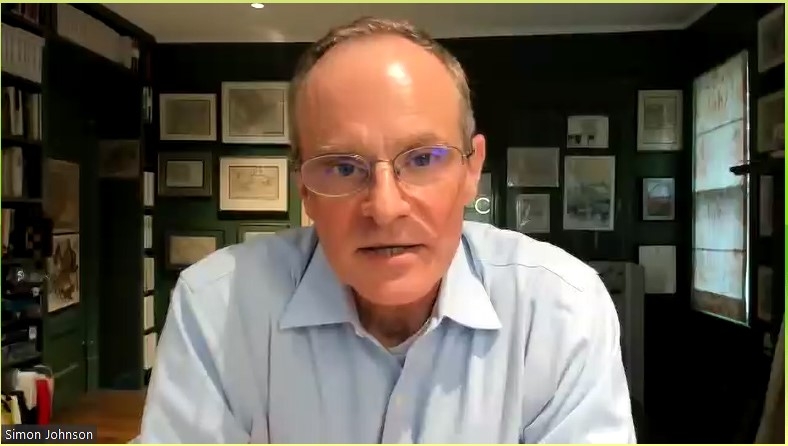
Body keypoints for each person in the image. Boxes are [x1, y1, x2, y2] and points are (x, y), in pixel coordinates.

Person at [137, 17, 636, 444]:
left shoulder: (560, 311)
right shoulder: (219, 310)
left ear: (470, 171)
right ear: (304, 190)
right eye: (342, 167)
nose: (384, 206)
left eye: (422, 159)